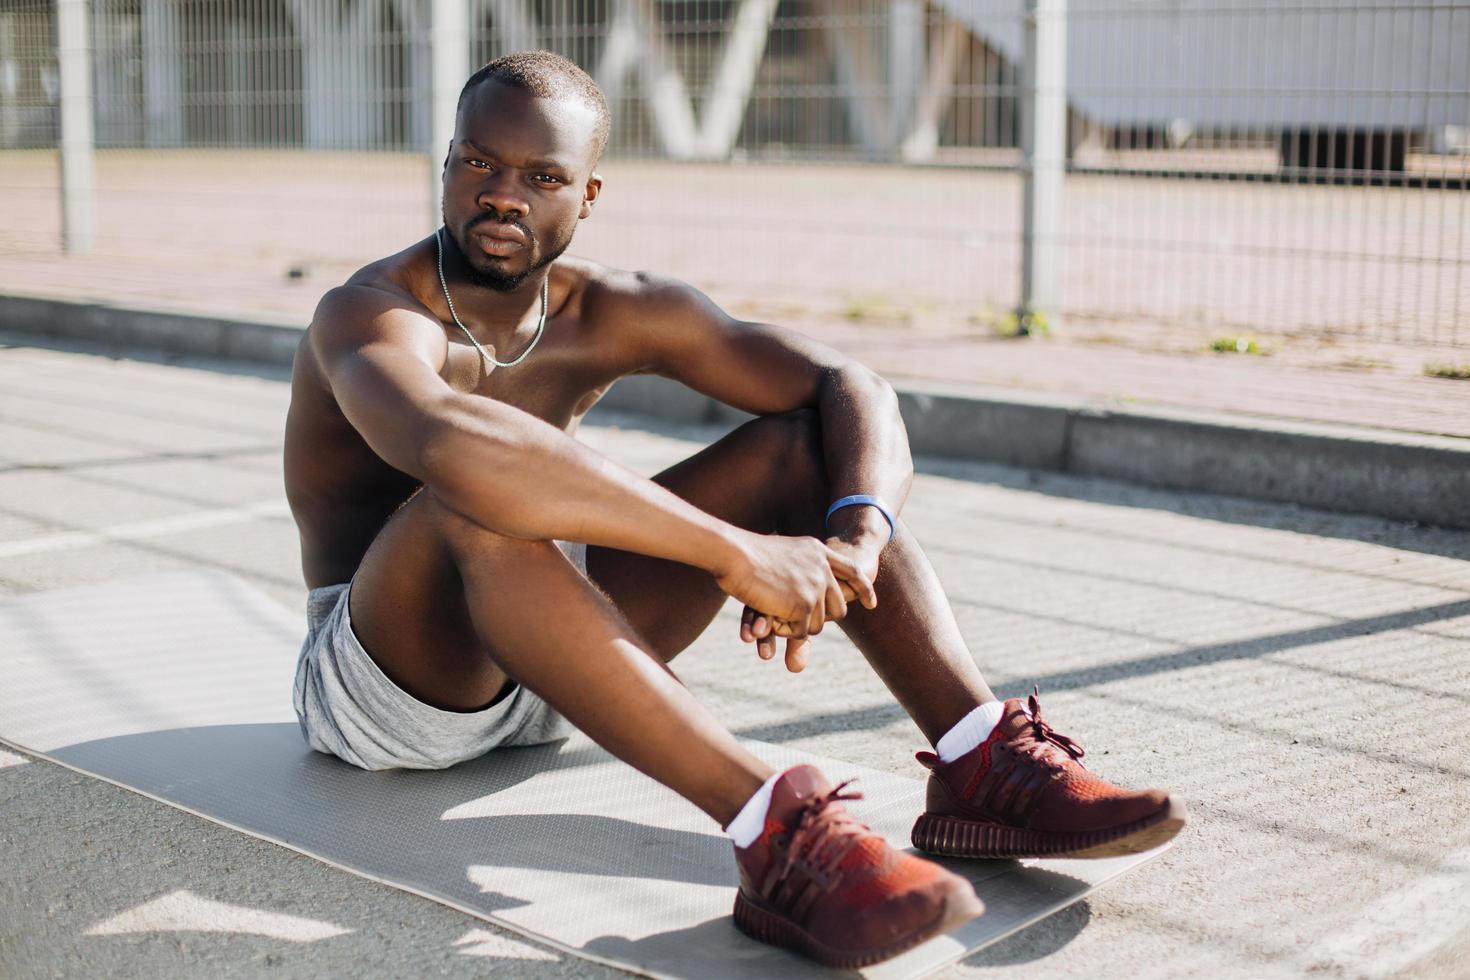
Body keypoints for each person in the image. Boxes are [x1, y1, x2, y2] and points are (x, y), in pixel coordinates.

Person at [283, 50, 1186, 968]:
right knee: (473, 498)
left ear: (588, 195)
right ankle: (782, 834)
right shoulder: (367, 316)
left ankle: (979, 762)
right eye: (479, 163)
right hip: (384, 688)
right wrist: (735, 554)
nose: (504, 195)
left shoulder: (612, 308)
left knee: (800, 449)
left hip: (548, 651)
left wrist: (857, 543)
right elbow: (450, 444)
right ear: (447, 165)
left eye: (542, 176)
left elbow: (850, 384)